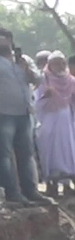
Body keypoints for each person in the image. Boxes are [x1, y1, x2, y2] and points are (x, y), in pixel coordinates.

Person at [0, 27, 47, 204]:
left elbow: (38, 80)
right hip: (1, 114)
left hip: (24, 113)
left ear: (9, 40)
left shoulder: (24, 59)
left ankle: (30, 191)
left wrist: (25, 68)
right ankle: (12, 194)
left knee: (26, 154)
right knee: (4, 155)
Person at [35, 52, 75, 197]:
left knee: (66, 151)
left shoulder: (71, 81)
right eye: (57, 63)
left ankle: (66, 185)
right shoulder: (43, 80)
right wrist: (46, 96)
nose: (61, 66)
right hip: (48, 120)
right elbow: (35, 103)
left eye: (63, 63)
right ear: (49, 64)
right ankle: (50, 184)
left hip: (66, 121)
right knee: (49, 151)